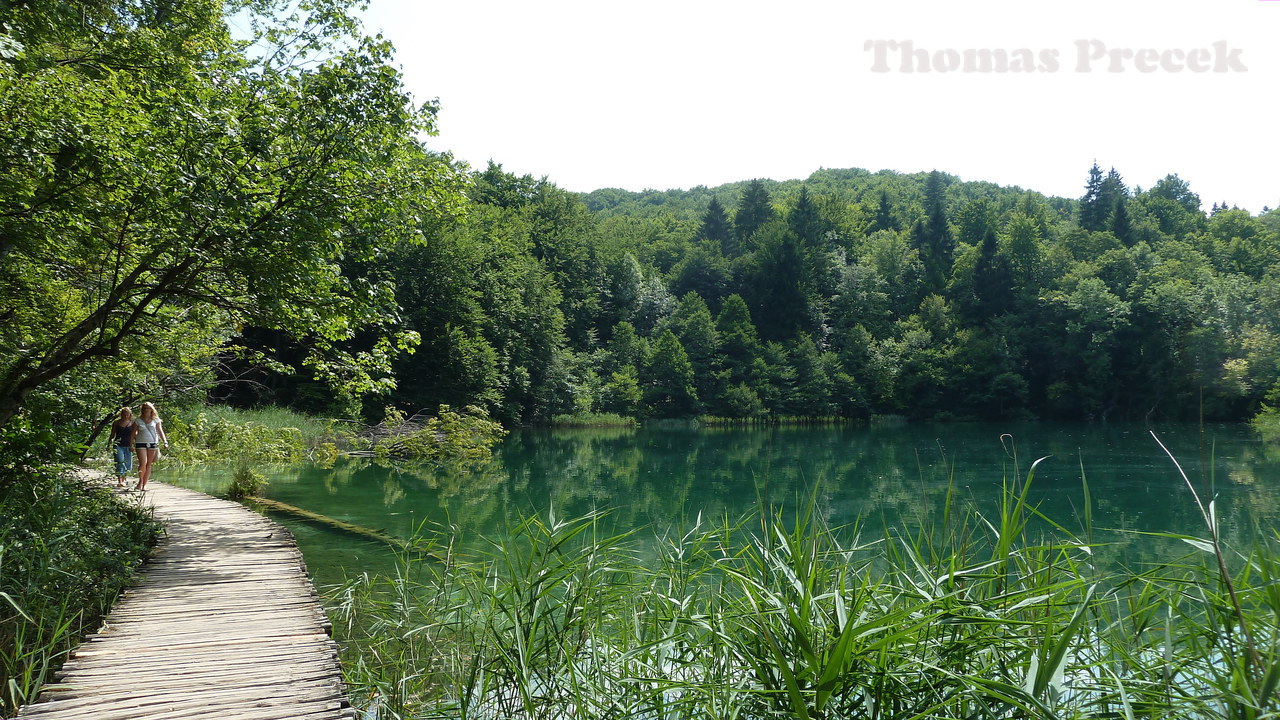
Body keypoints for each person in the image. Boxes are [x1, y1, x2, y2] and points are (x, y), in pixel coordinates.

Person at [133, 402, 169, 491]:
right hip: (140, 443)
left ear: (151, 409)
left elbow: (160, 431)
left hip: (152, 443)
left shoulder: (156, 420)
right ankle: (140, 482)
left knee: (149, 464)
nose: (146, 410)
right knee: (143, 463)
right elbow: (133, 433)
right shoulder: (138, 420)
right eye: (144, 408)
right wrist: (132, 442)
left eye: (147, 408)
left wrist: (165, 442)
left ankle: (144, 484)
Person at [107, 407, 136, 487]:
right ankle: (120, 481)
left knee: (127, 463)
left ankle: (124, 480)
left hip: (128, 445)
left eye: (127, 414)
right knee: (120, 461)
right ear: (121, 414)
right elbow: (112, 434)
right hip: (118, 444)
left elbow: (134, 435)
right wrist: (109, 444)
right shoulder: (116, 423)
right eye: (124, 414)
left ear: (130, 415)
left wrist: (134, 445)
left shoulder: (133, 423)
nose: (126, 416)